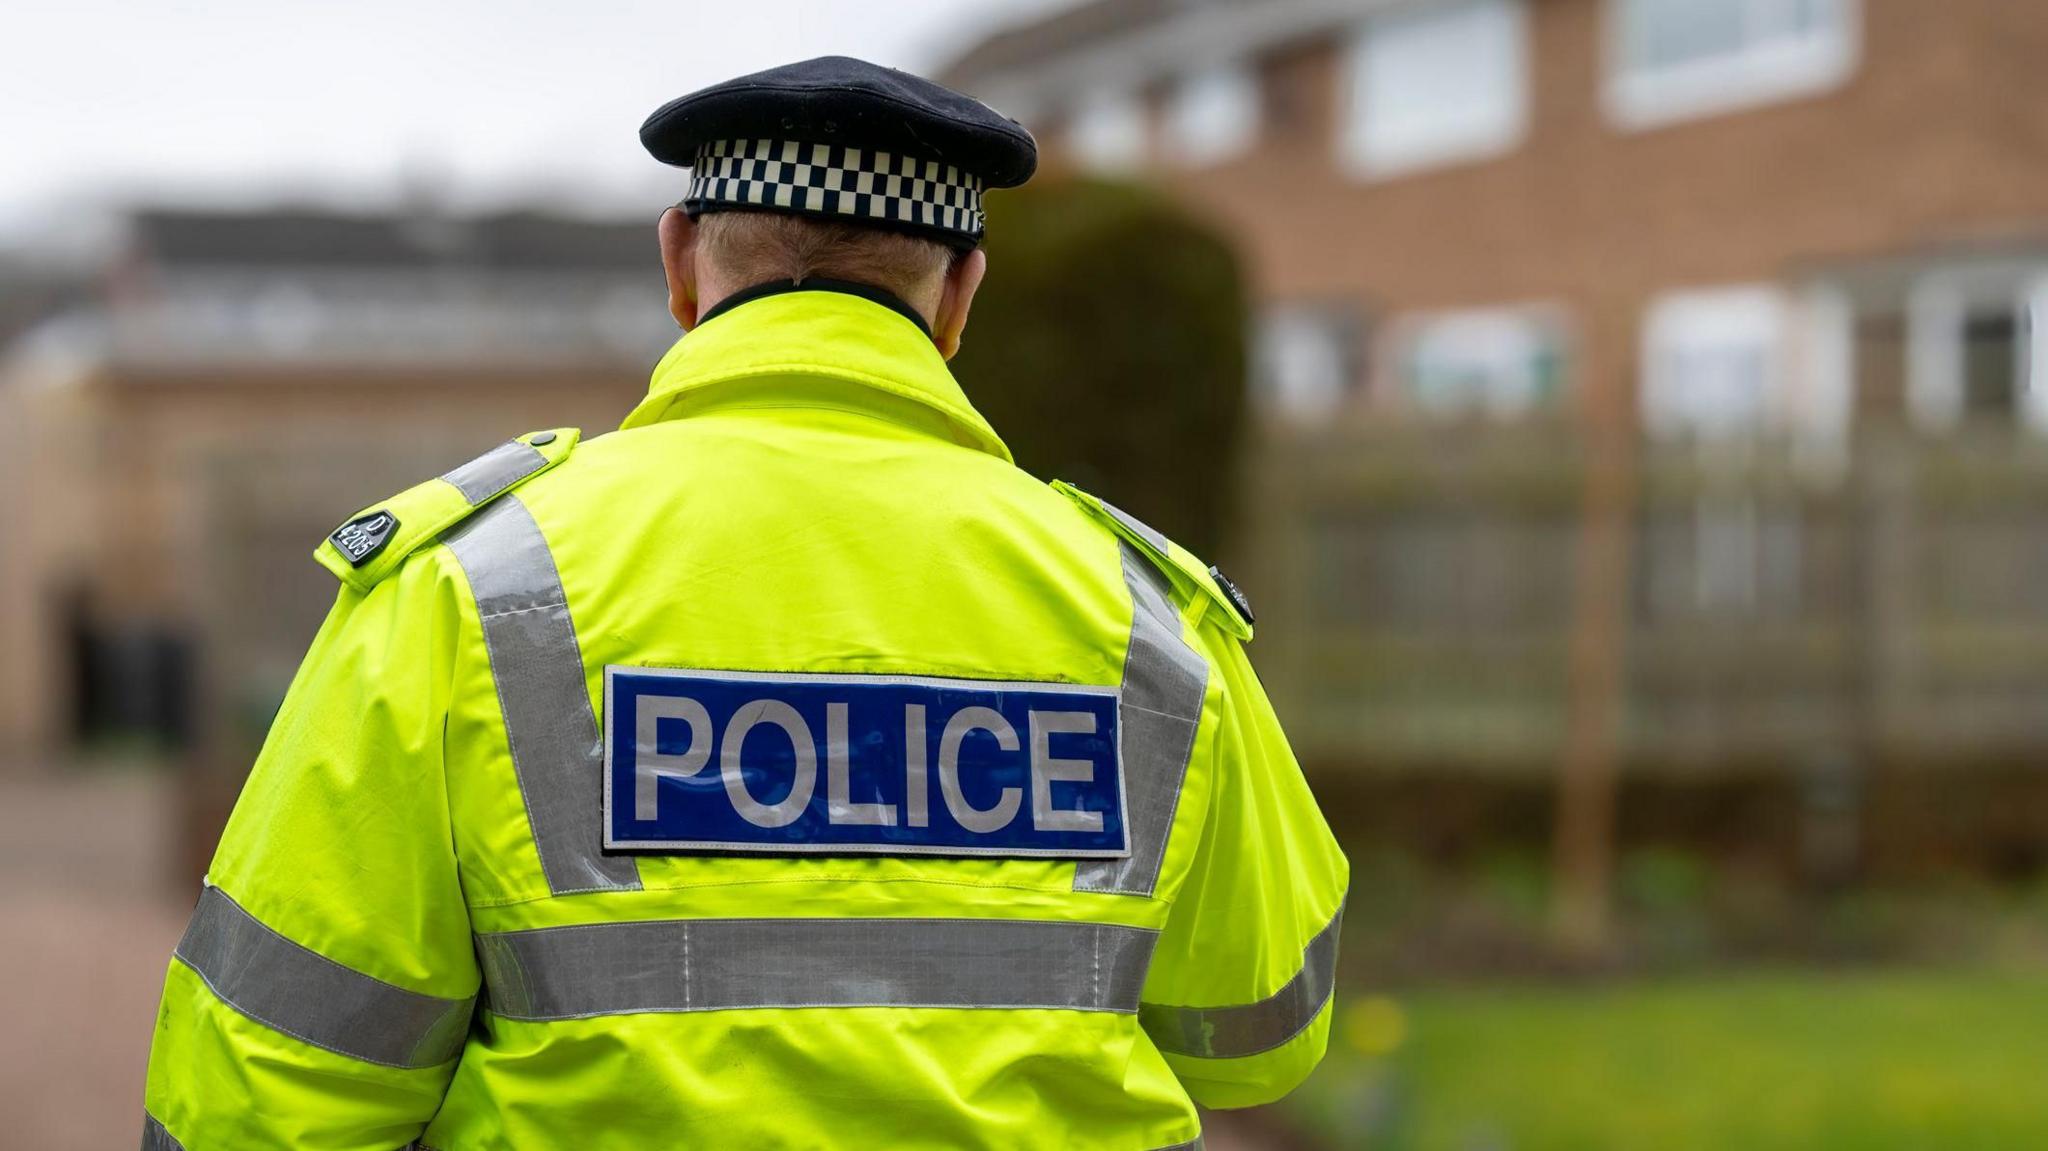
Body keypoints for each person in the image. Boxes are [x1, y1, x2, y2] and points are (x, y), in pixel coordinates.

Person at [140, 56, 1347, 1150]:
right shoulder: (1147, 616)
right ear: (961, 293)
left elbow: (261, 1090)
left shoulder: (469, 586)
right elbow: (1257, 1032)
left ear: (678, 260)